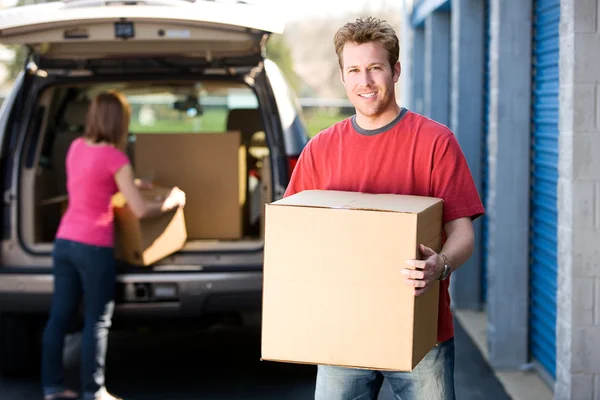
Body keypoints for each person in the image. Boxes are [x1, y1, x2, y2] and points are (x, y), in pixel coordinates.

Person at [284, 17, 485, 400]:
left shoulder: (436, 142)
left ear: (395, 71)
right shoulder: (320, 149)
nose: (366, 81)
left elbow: (463, 233)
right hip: (341, 334)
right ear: (342, 77)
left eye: (375, 68)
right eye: (355, 70)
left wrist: (439, 266)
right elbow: (294, 235)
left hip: (420, 331)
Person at [41, 91, 186, 400]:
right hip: (94, 247)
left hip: (64, 242)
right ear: (120, 122)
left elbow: (88, 181)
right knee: (97, 319)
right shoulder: (116, 158)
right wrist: (172, 200)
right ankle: (94, 391)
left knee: (59, 316)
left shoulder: (76, 147)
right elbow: (140, 211)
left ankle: (52, 389)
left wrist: (131, 183)